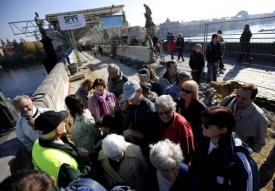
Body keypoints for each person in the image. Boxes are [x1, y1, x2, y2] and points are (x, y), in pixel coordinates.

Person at [191, 106, 258, 191]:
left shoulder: (237, 159)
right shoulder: (202, 138)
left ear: (223, 130)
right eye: (203, 122)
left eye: (207, 125)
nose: (202, 126)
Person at [32, 110, 91, 189]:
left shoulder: (37, 143)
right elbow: (80, 182)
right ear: (58, 130)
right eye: (63, 122)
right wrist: (85, 158)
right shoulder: (60, 162)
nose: (64, 123)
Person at [219, 83, 268, 152]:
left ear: (253, 99)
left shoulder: (259, 119)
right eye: (238, 96)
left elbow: (257, 145)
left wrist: (242, 151)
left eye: (244, 99)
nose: (239, 100)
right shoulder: (227, 100)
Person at [11, 95, 50, 173]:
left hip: (55, 146)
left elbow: (57, 129)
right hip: (39, 152)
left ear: (32, 103)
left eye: (26, 106)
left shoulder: (47, 112)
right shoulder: (20, 123)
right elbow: (23, 138)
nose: (24, 109)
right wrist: (35, 150)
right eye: (20, 108)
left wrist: (38, 126)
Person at [122, 80, 158, 161]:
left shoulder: (150, 111)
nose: (129, 100)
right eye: (127, 97)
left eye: (131, 96)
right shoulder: (134, 105)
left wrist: (131, 132)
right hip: (137, 146)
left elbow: (152, 137)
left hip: (147, 151)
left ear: (140, 91)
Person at [154, 95, 194, 164]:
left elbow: (188, 151)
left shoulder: (181, 124)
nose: (164, 116)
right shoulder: (159, 121)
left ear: (173, 109)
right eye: (161, 113)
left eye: (167, 112)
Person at [65, 95, 102, 161]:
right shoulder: (75, 116)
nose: (66, 108)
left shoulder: (85, 119)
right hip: (83, 151)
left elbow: (97, 134)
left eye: (67, 106)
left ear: (71, 107)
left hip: (90, 153)